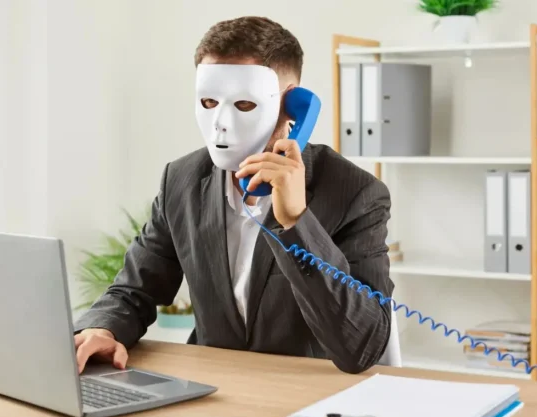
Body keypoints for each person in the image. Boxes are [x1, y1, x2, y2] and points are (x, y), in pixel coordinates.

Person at [73, 16, 394, 374]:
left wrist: (296, 223)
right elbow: (135, 290)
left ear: (293, 106)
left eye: (243, 105)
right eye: (209, 101)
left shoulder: (356, 194)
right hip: (213, 386)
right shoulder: (181, 181)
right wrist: (102, 329)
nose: (220, 123)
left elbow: (362, 347)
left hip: (309, 393)